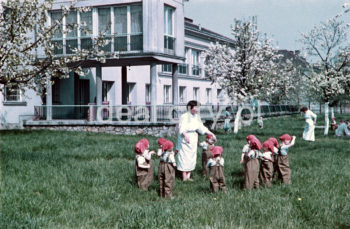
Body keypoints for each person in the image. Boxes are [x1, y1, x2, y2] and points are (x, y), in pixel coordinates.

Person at [176, 100, 216, 181]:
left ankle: (188, 176)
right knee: (184, 157)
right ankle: (184, 177)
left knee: (192, 157)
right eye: (196, 107)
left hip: (193, 137)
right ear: (190, 107)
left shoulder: (197, 116)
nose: (197, 109)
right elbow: (182, 128)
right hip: (185, 137)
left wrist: (211, 133)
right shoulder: (184, 116)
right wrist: (185, 135)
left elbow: (201, 127)